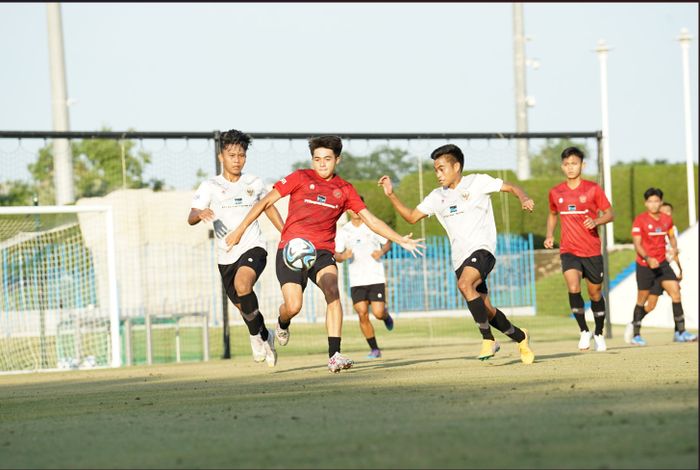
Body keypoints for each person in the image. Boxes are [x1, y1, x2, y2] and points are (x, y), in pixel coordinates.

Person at [225, 135, 424, 373]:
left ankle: (334, 355)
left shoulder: (345, 189)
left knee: (333, 292)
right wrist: (239, 230)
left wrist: (399, 239)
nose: (321, 164)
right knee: (293, 306)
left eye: (327, 159)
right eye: (317, 159)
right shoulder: (299, 177)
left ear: (337, 160)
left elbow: (370, 220)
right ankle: (282, 322)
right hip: (291, 250)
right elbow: (265, 202)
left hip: (322, 252)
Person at [378, 143, 535, 363]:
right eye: (435, 169)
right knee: (487, 309)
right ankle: (521, 337)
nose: (438, 174)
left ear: (457, 166)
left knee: (464, 284)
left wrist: (524, 197)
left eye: (441, 168)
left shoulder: (477, 181)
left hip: (483, 250)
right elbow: (411, 217)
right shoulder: (436, 196)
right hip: (459, 259)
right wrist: (391, 195)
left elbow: (510, 187)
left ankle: (488, 339)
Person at [188, 129, 284, 367]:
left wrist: (286, 231)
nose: (237, 160)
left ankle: (254, 338)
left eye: (241, 155)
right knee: (246, 309)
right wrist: (200, 213)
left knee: (244, 285)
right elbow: (190, 216)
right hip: (225, 256)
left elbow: (268, 207)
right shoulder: (210, 185)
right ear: (222, 156)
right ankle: (265, 335)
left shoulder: (254, 183)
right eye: (232, 155)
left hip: (253, 247)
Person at [544, 146, 614, 352]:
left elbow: (610, 214)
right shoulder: (556, 192)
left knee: (595, 293)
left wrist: (596, 221)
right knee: (573, 287)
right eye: (566, 164)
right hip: (569, 250)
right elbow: (552, 214)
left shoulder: (593, 189)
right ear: (562, 166)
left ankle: (599, 333)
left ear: (582, 165)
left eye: (574, 163)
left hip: (591, 250)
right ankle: (584, 330)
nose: (570, 168)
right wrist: (549, 235)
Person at [624, 189, 696, 345]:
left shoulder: (666, 219)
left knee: (676, 292)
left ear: (661, 202)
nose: (653, 204)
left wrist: (674, 248)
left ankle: (680, 332)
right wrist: (648, 258)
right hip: (645, 265)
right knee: (647, 303)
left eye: (656, 201)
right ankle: (635, 332)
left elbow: (671, 237)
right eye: (650, 201)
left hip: (662, 264)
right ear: (646, 203)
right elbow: (637, 244)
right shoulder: (640, 220)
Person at [335, 199, 394, 359]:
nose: (355, 210)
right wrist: (343, 256)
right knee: (362, 313)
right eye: (351, 208)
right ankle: (374, 349)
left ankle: (385, 316)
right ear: (348, 210)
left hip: (375, 276)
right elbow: (337, 255)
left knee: (378, 312)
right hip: (356, 280)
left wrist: (381, 252)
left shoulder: (372, 225)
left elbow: (387, 242)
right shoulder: (343, 231)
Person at [638, 202, 683, 316]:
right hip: (653, 269)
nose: (667, 214)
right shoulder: (651, 228)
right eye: (664, 211)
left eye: (669, 211)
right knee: (651, 305)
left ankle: (680, 332)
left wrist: (679, 269)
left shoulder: (672, 229)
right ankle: (634, 323)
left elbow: (674, 251)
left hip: (666, 270)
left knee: (676, 294)